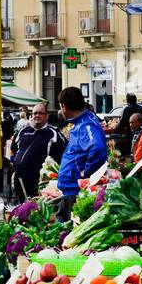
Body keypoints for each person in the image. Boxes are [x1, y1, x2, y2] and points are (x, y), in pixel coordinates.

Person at [56, 87, 107, 219]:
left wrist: (87, 172)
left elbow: (98, 149)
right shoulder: (82, 122)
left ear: (64, 106)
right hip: (71, 189)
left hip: (75, 191)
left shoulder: (86, 125)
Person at [10, 102, 65, 199]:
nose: (37, 115)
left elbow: (63, 155)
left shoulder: (54, 134)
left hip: (40, 182)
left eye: (40, 113)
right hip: (21, 179)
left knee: (37, 210)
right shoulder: (23, 131)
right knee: (22, 208)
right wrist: (15, 162)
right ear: (31, 115)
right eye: (35, 113)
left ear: (46, 116)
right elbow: (13, 149)